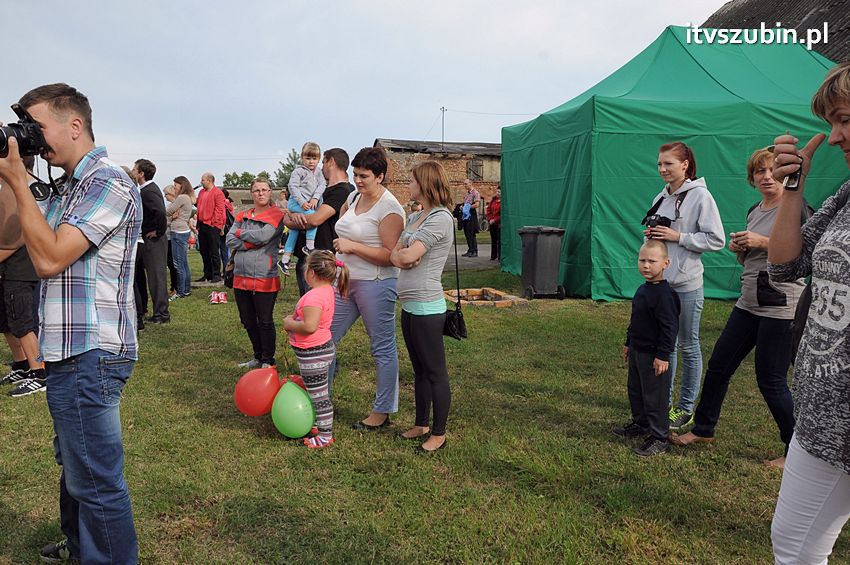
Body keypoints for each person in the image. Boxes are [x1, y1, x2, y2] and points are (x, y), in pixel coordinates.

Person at [0, 83, 140, 564]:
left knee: (96, 478)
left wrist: (19, 182)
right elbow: (20, 237)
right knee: (74, 463)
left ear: (74, 125)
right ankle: (80, 544)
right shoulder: (69, 185)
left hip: (92, 352)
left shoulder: (107, 181)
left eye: (35, 127)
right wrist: (13, 184)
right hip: (66, 350)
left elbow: (50, 258)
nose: (30, 139)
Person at [671, 148, 807, 467]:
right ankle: (704, 429)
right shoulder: (754, 210)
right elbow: (754, 257)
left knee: (771, 380)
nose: (766, 176)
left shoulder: (796, 208)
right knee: (719, 365)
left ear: (785, 175)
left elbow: (803, 258)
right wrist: (742, 249)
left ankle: (796, 451)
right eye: (759, 171)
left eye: (772, 170)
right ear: (753, 178)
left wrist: (761, 242)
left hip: (781, 308)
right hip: (748, 302)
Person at [767, 61, 850, 564]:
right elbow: (786, 264)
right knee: (794, 547)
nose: (835, 136)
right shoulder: (847, 194)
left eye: (844, 119)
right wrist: (793, 188)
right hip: (820, 411)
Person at [643, 142, 725, 430]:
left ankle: (686, 407)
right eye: (660, 164)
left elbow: (716, 240)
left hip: (688, 284)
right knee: (666, 345)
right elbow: (658, 238)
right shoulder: (661, 197)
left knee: (688, 345)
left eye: (669, 164)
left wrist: (679, 237)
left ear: (685, 165)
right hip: (663, 285)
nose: (663, 169)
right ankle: (663, 404)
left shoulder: (701, 196)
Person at [329, 146, 405, 429]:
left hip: (376, 283)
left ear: (380, 176)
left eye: (364, 176)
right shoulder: (352, 196)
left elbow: (391, 255)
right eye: (355, 174)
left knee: (382, 348)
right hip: (345, 281)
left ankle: (382, 411)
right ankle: (319, 398)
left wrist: (354, 247)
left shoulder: (390, 209)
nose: (358, 180)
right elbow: (345, 223)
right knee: (324, 338)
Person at [391, 161, 455, 453]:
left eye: (413, 180)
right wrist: (404, 255)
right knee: (418, 370)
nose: (409, 184)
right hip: (410, 306)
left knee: (435, 371)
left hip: (429, 307)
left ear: (426, 183)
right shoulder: (416, 216)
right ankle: (421, 423)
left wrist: (406, 255)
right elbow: (397, 254)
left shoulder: (440, 218)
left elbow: (406, 257)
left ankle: (439, 433)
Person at [612, 239, 680, 457]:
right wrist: (628, 342)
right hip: (637, 351)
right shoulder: (643, 289)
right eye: (642, 260)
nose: (646, 265)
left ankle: (659, 436)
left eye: (652, 261)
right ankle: (641, 424)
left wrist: (663, 355)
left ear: (665, 263)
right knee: (636, 390)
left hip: (654, 356)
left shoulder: (665, 295)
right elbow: (636, 320)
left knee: (655, 397)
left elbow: (669, 328)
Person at [283, 250, 349, 449]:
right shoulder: (328, 290)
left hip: (314, 353)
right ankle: (319, 425)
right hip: (318, 351)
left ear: (311, 273)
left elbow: (309, 326)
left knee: (320, 397)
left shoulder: (313, 297)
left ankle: (325, 436)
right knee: (317, 392)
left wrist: (289, 323)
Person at [226, 178, 285, 369]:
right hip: (240, 275)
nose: (261, 193)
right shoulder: (242, 214)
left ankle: (268, 360)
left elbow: (264, 236)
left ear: (270, 192)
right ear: (251, 194)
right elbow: (229, 239)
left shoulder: (276, 214)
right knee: (248, 320)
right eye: (257, 190)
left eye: (264, 190)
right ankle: (258, 356)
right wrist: (250, 241)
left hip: (264, 275)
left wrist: (240, 235)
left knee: (265, 320)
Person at [0, 156, 46, 397]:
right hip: (10, 266)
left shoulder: (25, 186)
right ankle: (22, 364)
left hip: (22, 265)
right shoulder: (9, 184)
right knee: (7, 318)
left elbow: (15, 237)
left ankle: (39, 371)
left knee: (23, 320)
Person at [284, 148, 354, 296]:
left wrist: (291, 220)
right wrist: (291, 215)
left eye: (323, 161)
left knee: (317, 307)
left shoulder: (343, 190)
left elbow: (315, 220)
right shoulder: (320, 188)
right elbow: (288, 212)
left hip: (322, 259)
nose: (320, 166)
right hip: (307, 258)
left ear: (331, 162)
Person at [131, 158, 170, 324]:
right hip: (150, 239)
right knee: (152, 277)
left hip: (155, 240)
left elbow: (161, 212)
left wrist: (158, 231)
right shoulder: (146, 190)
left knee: (156, 277)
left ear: (141, 173)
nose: (132, 172)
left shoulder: (149, 191)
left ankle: (162, 314)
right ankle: (154, 311)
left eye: (134, 169)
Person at [279, 142, 326, 274]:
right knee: (312, 216)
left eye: (314, 158)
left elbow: (322, 185)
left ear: (319, 158)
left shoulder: (318, 172)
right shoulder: (299, 171)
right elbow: (292, 187)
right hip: (296, 203)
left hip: (308, 202)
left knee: (294, 229)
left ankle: (285, 259)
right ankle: (309, 246)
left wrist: (315, 197)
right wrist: (301, 202)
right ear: (302, 157)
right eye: (308, 158)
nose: (311, 162)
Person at [168, 176, 195, 298]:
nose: (174, 187)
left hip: (178, 232)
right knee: (183, 263)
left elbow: (167, 211)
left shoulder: (181, 197)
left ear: (181, 185)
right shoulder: (188, 198)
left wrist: (172, 215)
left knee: (178, 263)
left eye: (175, 185)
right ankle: (186, 289)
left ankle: (180, 291)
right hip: (183, 230)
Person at [196, 172, 226, 283]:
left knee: (214, 251)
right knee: (204, 250)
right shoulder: (201, 192)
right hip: (202, 224)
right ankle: (207, 273)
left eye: (203, 180)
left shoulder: (218, 193)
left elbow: (219, 209)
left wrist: (215, 222)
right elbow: (197, 204)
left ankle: (216, 274)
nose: (201, 182)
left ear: (209, 180)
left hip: (213, 225)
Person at [162, 184, 179, 299]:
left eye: (166, 194)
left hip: (171, 236)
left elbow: (170, 222)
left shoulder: (175, 206)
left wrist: (167, 222)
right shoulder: (170, 206)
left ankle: (175, 287)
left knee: (173, 264)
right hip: (167, 236)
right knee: (170, 263)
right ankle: (173, 286)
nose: (165, 196)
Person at [461, 179, 480, 257]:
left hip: (471, 214)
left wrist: (468, 208)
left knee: (472, 233)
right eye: (464, 184)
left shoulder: (475, 193)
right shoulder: (467, 194)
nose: (465, 185)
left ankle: (474, 251)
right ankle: (470, 249)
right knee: (467, 233)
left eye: (466, 184)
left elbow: (477, 204)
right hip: (466, 215)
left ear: (470, 183)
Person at [486, 187, 501, 261]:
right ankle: (493, 255)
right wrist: (489, 219)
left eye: (499, 192)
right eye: (497, 192)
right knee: (493, 240)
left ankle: (500, 256)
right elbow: (488, 210)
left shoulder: (502, 202)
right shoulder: (493, 201)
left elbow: (502, 214)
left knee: (499, 240)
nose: (498, 193)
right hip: (492, 223)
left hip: (499, 223)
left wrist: (495, 220)